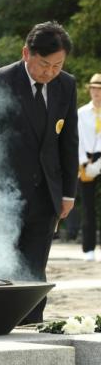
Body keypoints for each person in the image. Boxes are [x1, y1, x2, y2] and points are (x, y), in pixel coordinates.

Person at [0, 21, 78, 324]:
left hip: (47, 195)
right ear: (26, 53)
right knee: (1, 268)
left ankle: (31, 329)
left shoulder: (66, 84)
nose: (49, 72)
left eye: (57, 65)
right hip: (3, 195)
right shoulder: (0, 81)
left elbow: (68, 140)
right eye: (44, 64)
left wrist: (68, 192)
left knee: (35, 271)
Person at [76, 74, 101, 261]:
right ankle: (88, 249)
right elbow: (77, 139)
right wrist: (84, 162)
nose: (97, 93)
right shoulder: (82, 112)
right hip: (87, 160)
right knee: (87, 206)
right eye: (94, 89)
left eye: (100, 89)